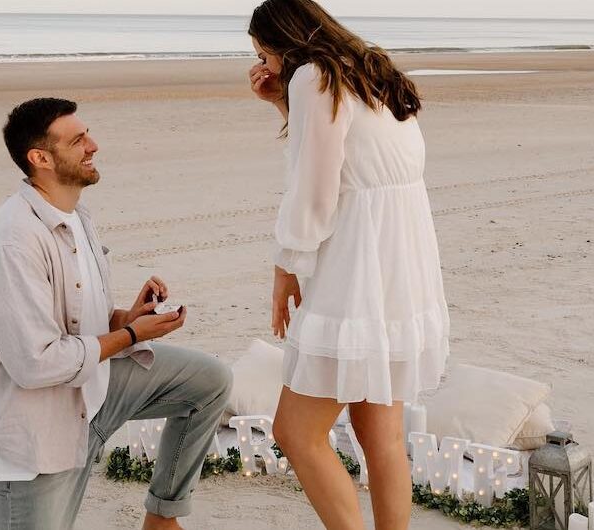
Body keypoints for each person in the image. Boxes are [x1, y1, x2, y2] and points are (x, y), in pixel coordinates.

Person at [0, 97, 232, 530]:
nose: (94, 145)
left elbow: (79, 321)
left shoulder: (75, 216)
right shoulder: (12, 244)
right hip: (37, 423)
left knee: (210, 382)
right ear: (40, 158)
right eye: (79, 139)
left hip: (96, 391)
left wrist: (126, 318)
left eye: (88, 134)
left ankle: (162, 519)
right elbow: (37, 364)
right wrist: (129, 336)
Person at [247, 1, 450, 529]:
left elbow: (314, 189)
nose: (263, 65)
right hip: (401, 260)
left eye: (261, 54)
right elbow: (348, 151)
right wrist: (283, 106)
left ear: (282, 44)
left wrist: (286, 264)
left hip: (359, 263)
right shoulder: (370, 71)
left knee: (295, 432)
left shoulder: (313, 77)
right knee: (379, 433)